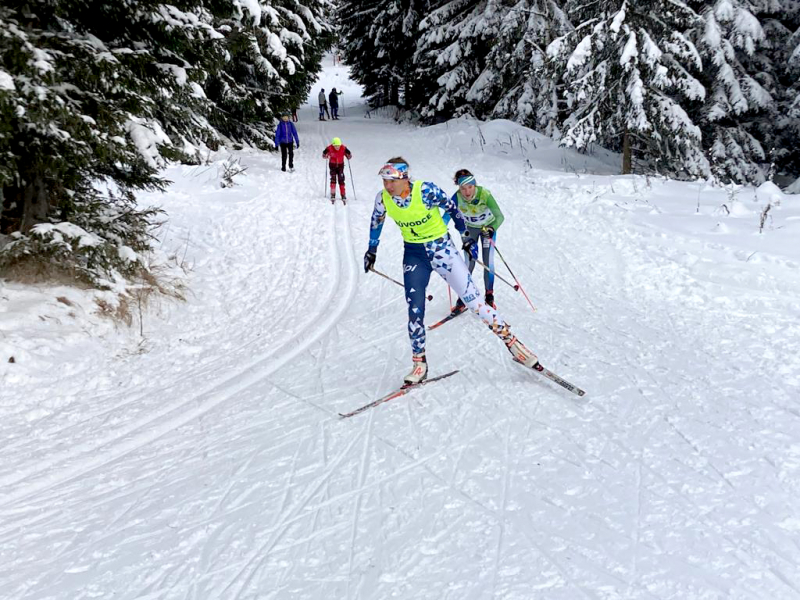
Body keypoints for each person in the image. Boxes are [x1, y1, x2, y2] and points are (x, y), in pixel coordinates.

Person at [363, 157, 538, 385]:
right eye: (385, 181)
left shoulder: (426, 191)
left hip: (442, 250)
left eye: (392, 181)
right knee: (415, 309)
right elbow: (376, 221)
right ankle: (419, 363)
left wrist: (465, 236)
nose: (387, 186)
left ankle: (514, 344)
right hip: (414, 255)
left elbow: (452, 209)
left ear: (404, 178)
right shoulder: (383, 198)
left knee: (475, 302)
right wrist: (372, 250)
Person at [445, 169, 504, 311]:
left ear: (474, 185)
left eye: (470, 187)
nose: (467, 192)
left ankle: (489, 296)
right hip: (470, 230)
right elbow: (445, 218)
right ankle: (463, 298)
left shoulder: (484, 194)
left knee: (488, 262)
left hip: (486, 229)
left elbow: (500, 216)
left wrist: (492, 228)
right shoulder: (456, 198)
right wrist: (439, 232)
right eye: (463, 188)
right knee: (468, 263)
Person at [322, 137, 352, 202]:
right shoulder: (330, 148)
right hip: (332, 166)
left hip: (340, 166)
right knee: (333, 179)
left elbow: (349, 155)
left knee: (341, 179)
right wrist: (325, 153)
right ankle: (333, 194)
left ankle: (343, 194)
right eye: (335, 146)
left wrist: (348, 154)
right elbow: (324, 155)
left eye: (338, 146)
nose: (337, 147)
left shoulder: (343, 148)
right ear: (333, 145)